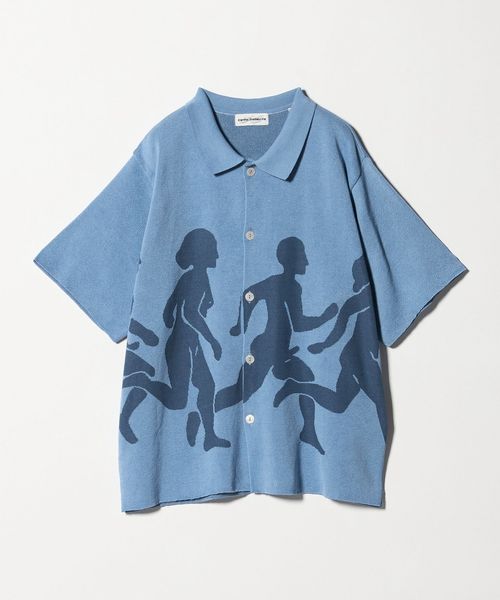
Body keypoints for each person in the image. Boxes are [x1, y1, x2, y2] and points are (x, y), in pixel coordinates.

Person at [215, 237, 338, 453]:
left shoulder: (292, 286)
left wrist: (240, 325)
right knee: (242, 392)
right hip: (266, 348)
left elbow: (252, 296)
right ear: (290, 259)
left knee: (305, 378)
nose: (306, 261)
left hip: (282, 352)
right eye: (303, 256)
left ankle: (308, 431)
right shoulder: (282, 284)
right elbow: (252, 295)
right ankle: (205, 411)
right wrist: (325, 317)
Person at [120, 229, 231, 451]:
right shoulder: (196, 278)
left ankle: (209, 436)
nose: (217, 255)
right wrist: (212, 341)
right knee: (178, 400)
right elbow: (190, 313)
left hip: (190, 343)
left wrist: (168, 323)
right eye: (213, 250)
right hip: (184, 346)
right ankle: (140, 380)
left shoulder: (194, 277)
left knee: (207, 387)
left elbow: (168, 309)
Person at [273, 256, 388, 446]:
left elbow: (339, 328)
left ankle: (295, 386)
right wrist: (323, 344)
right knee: (374, 401)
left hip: (354, 357)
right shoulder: (357, 301)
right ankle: (294, 387)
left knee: (338, 403)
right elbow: (339, 328)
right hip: (358, 360)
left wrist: (324, 344)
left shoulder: (361, 299)